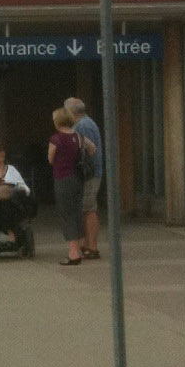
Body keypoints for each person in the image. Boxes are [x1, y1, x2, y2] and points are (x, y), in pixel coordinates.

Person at [64, 96, 103, 259]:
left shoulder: (82, 125)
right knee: (88, 208)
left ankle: (91, 246)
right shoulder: (87, 123)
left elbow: (87, 150)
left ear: (71, 111)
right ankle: (88, 244)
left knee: (88, 208)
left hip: (89, 173)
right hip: (91, 172)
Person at [48, 107, 85, 266]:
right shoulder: (78, 136)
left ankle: (73, 252)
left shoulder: (56, 139)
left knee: (66, 213)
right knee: (77, 211)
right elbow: (91, 150)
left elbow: (51, 159)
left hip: (62, 178)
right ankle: (80, 246)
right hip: (77, 178)